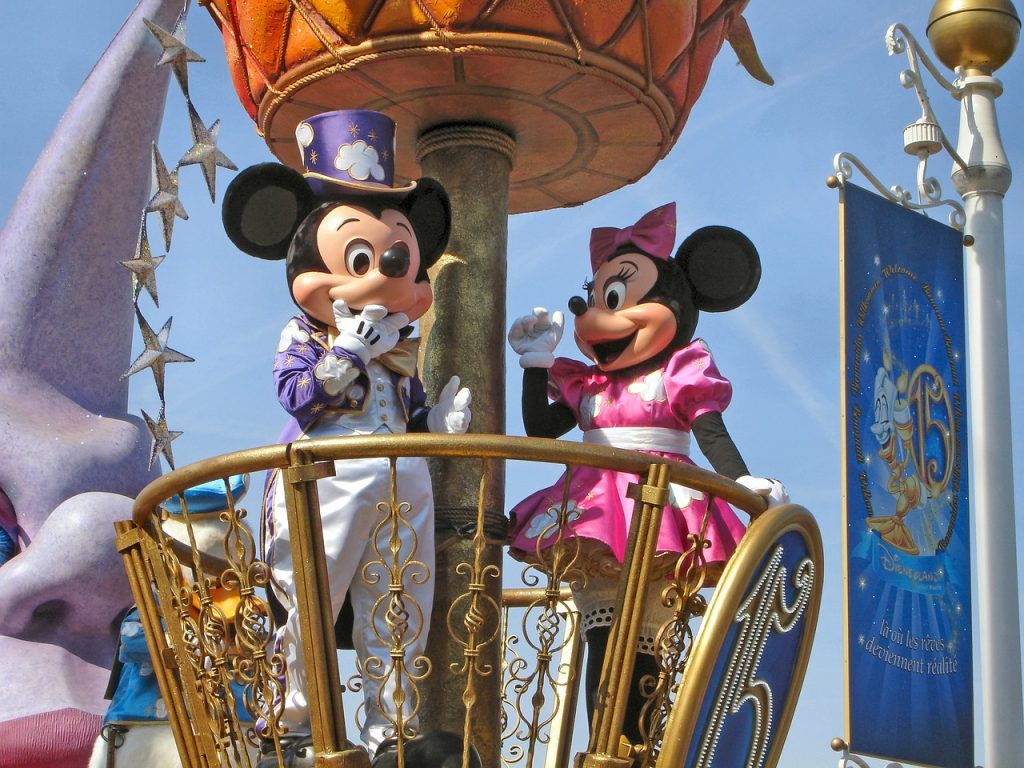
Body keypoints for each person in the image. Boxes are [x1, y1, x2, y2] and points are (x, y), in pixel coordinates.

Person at [222, 109, 471, 766]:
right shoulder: (307, 334)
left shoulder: (399, 343)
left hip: (402, 477)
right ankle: (294, 724)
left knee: (399, 603)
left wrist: (436, 426)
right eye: (361, 257)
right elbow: (297, 395)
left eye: (396, 255)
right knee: (312, 599)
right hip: (325, 476)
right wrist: (349, 352)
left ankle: (393, 730)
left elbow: (406, 407)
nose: (385, 268)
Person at [506, 202, 787, 750]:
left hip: (658, 504)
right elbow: (540, 430)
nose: (595, 317)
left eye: (615, 299)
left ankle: (637, 748)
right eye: (595, 299)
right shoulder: (589, 385)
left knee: (647, 639)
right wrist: (536, 365)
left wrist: (742, 479)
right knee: (602, 634)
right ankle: (602, 747)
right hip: (593, 508)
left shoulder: (678, 370)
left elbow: (709, 430)